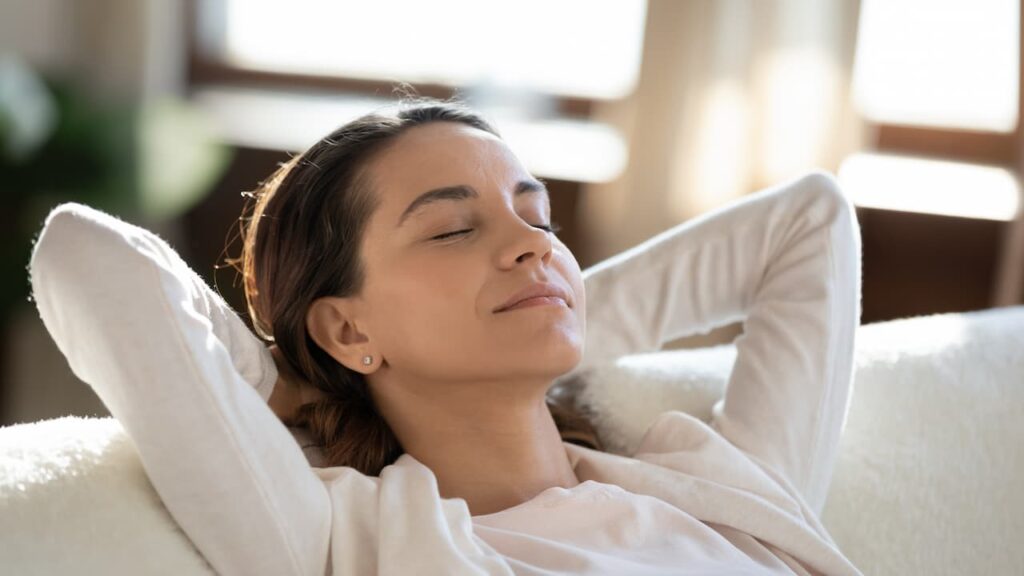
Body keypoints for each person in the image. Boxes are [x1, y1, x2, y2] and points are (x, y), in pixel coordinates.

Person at [29, 98, 864, 575]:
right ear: (348, 324)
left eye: (539, 218)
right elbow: (85, 255)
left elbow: (810, 220)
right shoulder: (345, 538)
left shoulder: (716, 491)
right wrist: (290, 380)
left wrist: (544, 301)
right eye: (451, 231)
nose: (535, 241)